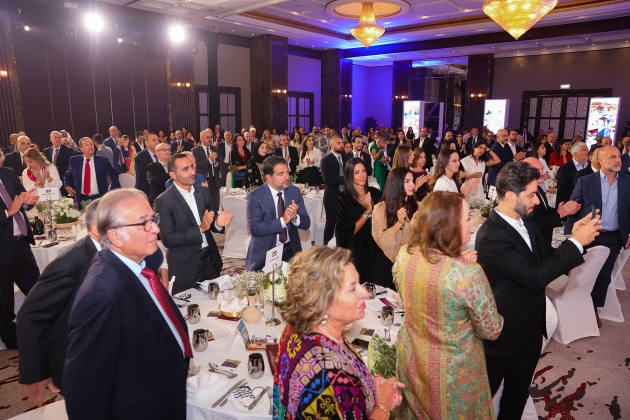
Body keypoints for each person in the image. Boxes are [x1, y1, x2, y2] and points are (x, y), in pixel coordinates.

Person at [476, 161, 600, 419]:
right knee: (479, 401)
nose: (536, 200)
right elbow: (533, 278)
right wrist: (576, 244)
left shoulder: (528, 221)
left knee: (516, 397)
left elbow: (548, 260)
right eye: (532, 194)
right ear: (511, 196)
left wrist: (574, 239)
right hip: (503, 335)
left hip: (531, 328)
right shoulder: (490, 236)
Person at [62, 189, 184, 419]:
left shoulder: (140, 266)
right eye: (144, 223)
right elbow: (85, 391)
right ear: (116, 237)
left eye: (154, 219)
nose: (156, 229)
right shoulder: (101, 295)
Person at [392, 191, 503, 419]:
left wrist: (458, 264)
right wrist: (463, 268)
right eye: (468, 217)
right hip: (453, 376)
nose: (472, 223)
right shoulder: (468, 274)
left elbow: (415, 292)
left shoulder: (404, 255)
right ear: (449, 225)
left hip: (413, 360)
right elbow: (491, 330)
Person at [274, 246, 405, 420]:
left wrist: (371, 388)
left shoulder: (298, 327)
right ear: (322, 302)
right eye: (352, 288)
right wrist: (382, 404)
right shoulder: (329, 378)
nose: (365, 293)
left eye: (359, 282)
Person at [566, 145, 630, 327]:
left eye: (618, 156)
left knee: (603, 275)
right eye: (612, 157)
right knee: (580, 273)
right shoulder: (586, 181)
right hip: (589, 235)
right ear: (600, 160)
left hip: (614, 237)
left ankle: (593, 309)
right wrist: (570, 233)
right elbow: (573, 208)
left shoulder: (627, 181)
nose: (617, 160)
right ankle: (575, 306)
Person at [154, 153, 234, 295]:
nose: (192, 172)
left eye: (192, 166)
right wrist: (200, 229)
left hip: (210, 259)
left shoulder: (203, 192)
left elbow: (210, 222)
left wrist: (218, 224)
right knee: (190, 306)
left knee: (214, 301)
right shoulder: (163, 201)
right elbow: (168, 239)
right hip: (185, 265)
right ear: (173, 174)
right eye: (186, 169)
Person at [0, 153, 39, 350]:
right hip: (2, 249)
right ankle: (11, 339)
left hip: (21, 243)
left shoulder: (7, 173)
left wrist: (27, 201)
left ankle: (44, 325)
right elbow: (11, 209)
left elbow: (21, 197)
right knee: (4, 300)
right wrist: (8, 212)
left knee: (38, 289)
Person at [246, 156, 310, 270]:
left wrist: (294, 217)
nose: (287, 177)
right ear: (269, 178)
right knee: (267, 282)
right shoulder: (255, 196)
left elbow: (306, 223)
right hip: (265, 252)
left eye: (287, 172)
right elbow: (255, 228)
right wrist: (283, 221)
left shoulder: (294, 192)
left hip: (290, 250)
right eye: (281, 174)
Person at [335, 158, 382, 282]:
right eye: (356, 172)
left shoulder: (375, 194)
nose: (362, 175)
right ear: (350, 175)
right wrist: (367, 212)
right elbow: (346, 234)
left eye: (363, 171)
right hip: (356, 254)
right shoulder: (345, 199)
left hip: (376, 251)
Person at [372, 167, 419, 290]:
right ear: (396, 184)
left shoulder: (417, 207)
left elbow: (425, 239)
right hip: (385, 264)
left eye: (412, 181)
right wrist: (398, 223)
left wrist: (414, 228)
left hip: (409, 264)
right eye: (407, 181)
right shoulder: (381, 209)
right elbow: (381, 241)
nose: (412, 185)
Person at [525, 157, 580, 244]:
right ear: (525, 172)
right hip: (535, 241)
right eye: (538, 170)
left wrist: (564, 210)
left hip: (544, 240)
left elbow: (545, 210)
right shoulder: (524, 194)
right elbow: (535, 223)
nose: (543, 173)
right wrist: (559, 214)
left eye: (542, 169)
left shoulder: (539, 188)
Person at [64, 137, 120, 207]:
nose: (90, 147)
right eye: (87, 145)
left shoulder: (103, 160)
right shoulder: (74, 160)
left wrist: (112, 189)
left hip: (99, 198)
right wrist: (67, 185)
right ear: (81, 149)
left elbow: (114, 175)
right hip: (81, 198)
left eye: (91, 144)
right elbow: (68, 175)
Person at [321, 135, 350, 245]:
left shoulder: (347, 159)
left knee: (345, 224)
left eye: (342, 143)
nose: (341, 145)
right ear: (331, 144)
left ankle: (343, 247)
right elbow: (327, 180)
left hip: (346, 197)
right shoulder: (326, 160)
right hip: (331, 198)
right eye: (339, 143)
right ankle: (326, 248)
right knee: (330, 225)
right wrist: (345, 179)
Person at [192, 129, 224, 212]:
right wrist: (209, 160)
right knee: (204, 206)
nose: (210, 139)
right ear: (201, 138)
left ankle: (216, 220)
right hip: (203, 181)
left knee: (215, 205)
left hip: (214, 181)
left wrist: (215, 162)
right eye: (207, 137)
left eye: (211, 137)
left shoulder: (215, 149)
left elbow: (222, 163)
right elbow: (196, 165)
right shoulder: (195, 150)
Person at [556, 142, 589, 210]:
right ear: (575, 153)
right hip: (570, 206)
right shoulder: (564, 169)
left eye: (588, 149)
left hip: (587, 205)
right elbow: (562, 190)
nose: (588, 151)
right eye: (584, 150)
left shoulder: (590, 167)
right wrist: (577, 201)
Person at [134, 132, 159, 197]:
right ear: (146, 143)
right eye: (154, 140)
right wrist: (158, 169)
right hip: (146, 192)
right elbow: (142, 176)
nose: (157, 142)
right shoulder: (140, 156)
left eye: (157, 140)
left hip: (159, 189)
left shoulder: (160, 154)